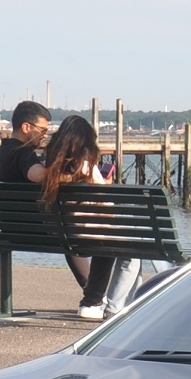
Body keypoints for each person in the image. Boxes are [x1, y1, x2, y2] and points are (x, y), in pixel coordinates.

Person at [40, 113, 118, 318]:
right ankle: (95, 301)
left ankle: (93, 297)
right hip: (89, 231)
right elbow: (106, 201)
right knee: (113, 240)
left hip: (61, 232)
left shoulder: (49, 164)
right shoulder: (85, 164)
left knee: (72, 239)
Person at [0, 100, 50, 184]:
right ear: (26, 127)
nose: (45, 135)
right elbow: (41, 176)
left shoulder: (0, 152)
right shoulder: (23, 152)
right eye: (42, 130)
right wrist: (71, 175)